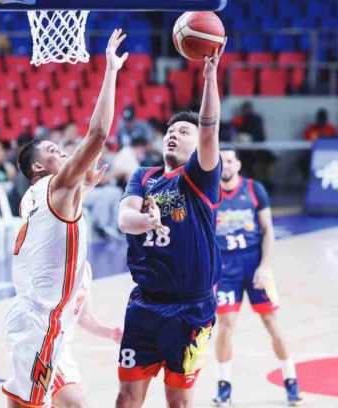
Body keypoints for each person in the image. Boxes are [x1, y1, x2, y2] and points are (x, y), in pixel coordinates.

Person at [2, 29, 127, 408]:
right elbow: (100, 133)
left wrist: (83, 189)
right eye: (56, 150)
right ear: (39, 166)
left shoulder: (33, 199)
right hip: (40, 321)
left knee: (74, 405)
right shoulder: (54, 188)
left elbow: (57, 224)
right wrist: (111, 71)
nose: (65, 153)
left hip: (41, 319)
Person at [115, 39, 226, 408]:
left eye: (183, 132)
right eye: (170, 130)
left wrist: (209, 79)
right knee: (127, 398)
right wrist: (146, 219)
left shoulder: (199, 178)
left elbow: (209, 129)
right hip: (145, 305)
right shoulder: (144, 177)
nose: (173, 134)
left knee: (178, 402)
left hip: (191, 309)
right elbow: (123, 218)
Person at [212, 149, 302, 407]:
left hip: (254, 264)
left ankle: (291, 380)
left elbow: (268, 231)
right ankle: (224, 386)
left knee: (271, 322)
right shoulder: (209, 192)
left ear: (238, 164)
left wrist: (265, 266)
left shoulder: (254, 189)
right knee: (226, 324)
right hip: (225, 268)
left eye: (229, 160)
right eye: (221, 161)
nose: (225, 165)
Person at [44, 261, 124, 408]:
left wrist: (110, 333)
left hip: (63, 353)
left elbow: (84, 316)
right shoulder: (50, 266)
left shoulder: (85, 268)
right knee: (77, 404)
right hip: (44, 350)